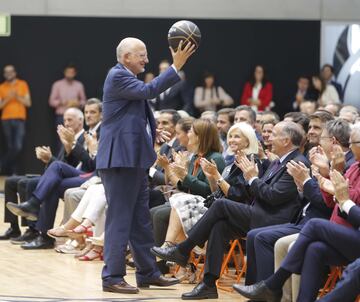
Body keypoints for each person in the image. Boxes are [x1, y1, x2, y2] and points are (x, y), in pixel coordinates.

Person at [151, 121, 308, 300]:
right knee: (220, 226)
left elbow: (272, 196)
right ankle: (208, 284)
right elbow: (255, 191)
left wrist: (252, 178)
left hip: (274, 218)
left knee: (221, 205)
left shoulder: (296, 163)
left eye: (274, 134)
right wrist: (252, 179)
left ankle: (183, 250)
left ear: (286, 140)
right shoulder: (278, 162)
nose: (268, 138)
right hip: (259, 212)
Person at [95, 37, 195, 294]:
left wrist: (151, 134)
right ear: (127, 56)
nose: (146, 59)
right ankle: (112, 277)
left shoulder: (127, 78)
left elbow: (132, 115)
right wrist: (175, 67)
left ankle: (148, 272)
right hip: (121, 161)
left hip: (133, 160)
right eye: (142, 55)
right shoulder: (117, 75)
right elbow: (149, 92)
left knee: (140, 220)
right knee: (120, 219)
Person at [233, 169, 360, 302]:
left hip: (346, 232)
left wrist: (344, 199)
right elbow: (335, 203)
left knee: (314, 225)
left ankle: (274, 283)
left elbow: (345, 199)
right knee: (315, 249)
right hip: (348, 231)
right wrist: (332, 188)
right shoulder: (354, 166)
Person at [0, 65, 31, 175]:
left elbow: (28, 103)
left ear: (14, 73)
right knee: (10, 146)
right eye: (6, 72)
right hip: (6, 119)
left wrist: (17, 96)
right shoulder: (2, 87)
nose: (9, 74)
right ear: (4, 74)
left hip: (19, 119)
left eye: (11, 71)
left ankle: (2, 164)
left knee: (18, 147)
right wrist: (8, 98)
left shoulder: (22, 84)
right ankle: (13, 173)